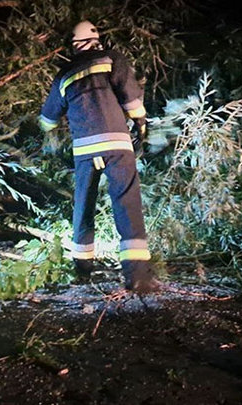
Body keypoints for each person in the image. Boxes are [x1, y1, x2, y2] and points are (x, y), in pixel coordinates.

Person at [38, 20, 159, 293]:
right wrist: (141, 124)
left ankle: (81, 267)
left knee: (83, 204)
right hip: (116, 144)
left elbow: (47, 121)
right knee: (126, 202)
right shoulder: (112, 59)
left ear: (72, 44)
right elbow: (132, 100)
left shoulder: (64, 74)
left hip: (84, 151)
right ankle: (137, 275)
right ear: (96, 39)